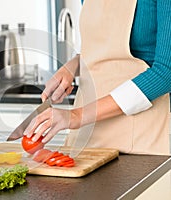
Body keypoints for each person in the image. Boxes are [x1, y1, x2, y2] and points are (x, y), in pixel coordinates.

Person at [24, 0, 171, 155]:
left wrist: (77, 115)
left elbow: (166, 72)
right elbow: (104, 50)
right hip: (87, 131)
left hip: (139, 136)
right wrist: (72, 66)